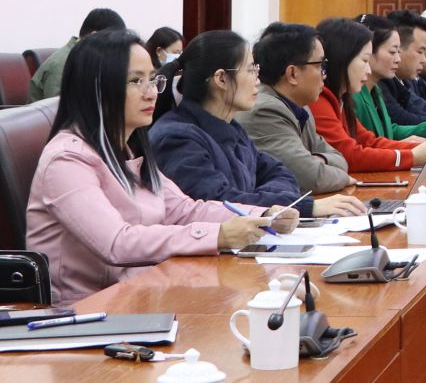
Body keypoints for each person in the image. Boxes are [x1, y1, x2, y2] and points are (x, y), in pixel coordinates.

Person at [24, 29, 289, 307]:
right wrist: (218, 236)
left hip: (139, 295)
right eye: (135, 81)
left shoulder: (127, 149)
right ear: (96, 88)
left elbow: (184, 210)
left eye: (152, 79)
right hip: (85, 311)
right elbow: (117, 243)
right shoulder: (67, 160)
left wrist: (264, 216)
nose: (150, 93)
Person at [148, 31, 365, 218]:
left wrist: (261, 198)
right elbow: (219, 203)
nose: (257, 80)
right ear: (221, 79)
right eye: (251, 70)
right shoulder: (176, 137)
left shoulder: (231, 128)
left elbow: (282, 174)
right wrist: (302, 207)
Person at [238, 22, 356, 195]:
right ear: (292, 74)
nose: (324, 74)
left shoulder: (301, 108)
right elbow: (310, 179)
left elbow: (340, 158)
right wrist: (343, 178)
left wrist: (319, 159)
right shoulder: (265, 111)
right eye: (320, 66)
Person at [312, 17, 426, 171]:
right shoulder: (318, 100)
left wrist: (423, 149)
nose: (368, 70)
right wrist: (411, 156)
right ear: (342, 59)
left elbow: (368, 141)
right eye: (365, 60)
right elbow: (350, 155)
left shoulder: (342, 98)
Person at [356, 15, 426, 140]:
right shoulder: (354, 94)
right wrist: (404, 149)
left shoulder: (375, 89)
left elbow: (388, 130)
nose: (398, 59)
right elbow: (362, 146)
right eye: (392, 52)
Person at [30, 7, 126, 101]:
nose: (115, 50)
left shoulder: (89, 59)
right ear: (94, 36)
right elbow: (58, 108)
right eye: (113, 43)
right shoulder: (63, 64)